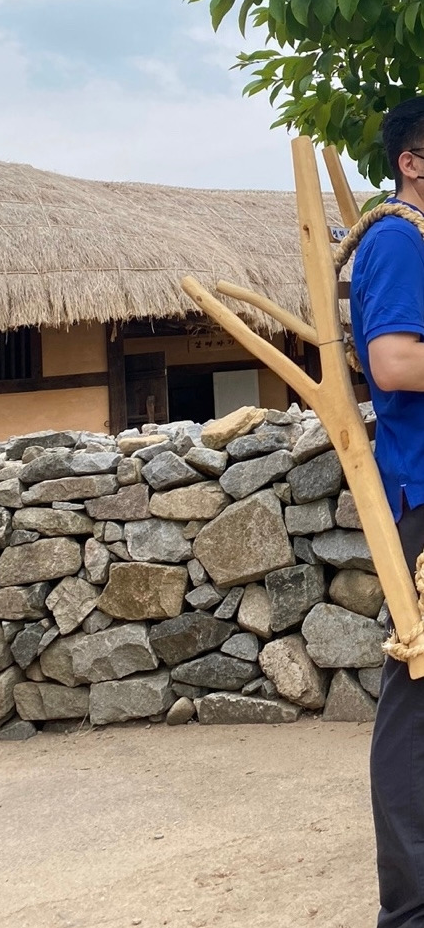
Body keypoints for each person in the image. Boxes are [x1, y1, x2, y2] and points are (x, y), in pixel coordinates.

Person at [350, 96, 424, 928]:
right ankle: (409, 910)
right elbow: (395, 361)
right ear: (411, 161)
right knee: (417, 687)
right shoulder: (397, 239)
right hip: (422, 492)